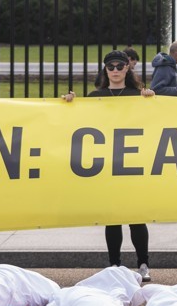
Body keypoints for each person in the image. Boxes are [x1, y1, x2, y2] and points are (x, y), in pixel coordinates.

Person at [62, 50, 156, 281]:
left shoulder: (138, 95)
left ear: (127, 68)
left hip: (132, 162)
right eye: (110, 67)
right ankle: (114, 265)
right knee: (112, 217)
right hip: (106, 164)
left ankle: (143, 264)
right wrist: (69, 104)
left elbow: (155, 122)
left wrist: (151, 100)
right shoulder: (96, 96)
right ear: (105, 70)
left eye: (119, 66)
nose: (115, 70)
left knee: (136, 216)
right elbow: (78, 124)